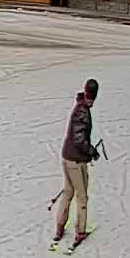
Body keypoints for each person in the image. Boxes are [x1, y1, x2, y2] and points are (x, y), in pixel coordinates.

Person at [54, 78, 99, 247]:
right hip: (75, 161)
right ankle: (80, 232)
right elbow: (79, 140)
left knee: (68, 192)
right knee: (82, 196)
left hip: (67, 156)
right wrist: (91, 152)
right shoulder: (83, 112)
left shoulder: (80, 107)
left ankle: (59, 228)